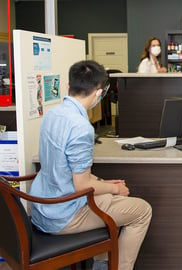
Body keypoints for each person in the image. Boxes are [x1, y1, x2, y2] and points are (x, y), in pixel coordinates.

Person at [29, 60, 152, 270]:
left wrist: (103, 182)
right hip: (63, 217)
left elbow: (66, 169)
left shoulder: (52, 114)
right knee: (141, 210)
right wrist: (116, 188)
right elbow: (82, 186)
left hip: (42, 206)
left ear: (69, 86)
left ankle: (102, 264)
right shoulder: (81, 128)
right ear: (98, 93)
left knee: (106, 197)